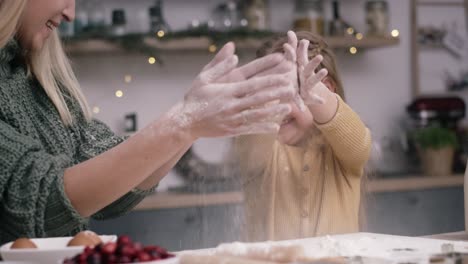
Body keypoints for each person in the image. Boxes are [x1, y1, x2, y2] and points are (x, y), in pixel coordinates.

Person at [0, 0, 298, 244]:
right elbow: (36, 201)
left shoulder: (35, 81)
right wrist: (185, 121)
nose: (70, 13)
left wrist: (193, 122)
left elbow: (112, 185)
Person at [233, 31, 372, 242]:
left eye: (290, 92)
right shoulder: (265, 156)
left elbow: (358, 142)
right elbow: (251, 148)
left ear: (324, 90)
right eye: (270, 93)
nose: (281, 107)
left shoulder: (342, 158)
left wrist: (319, 95)